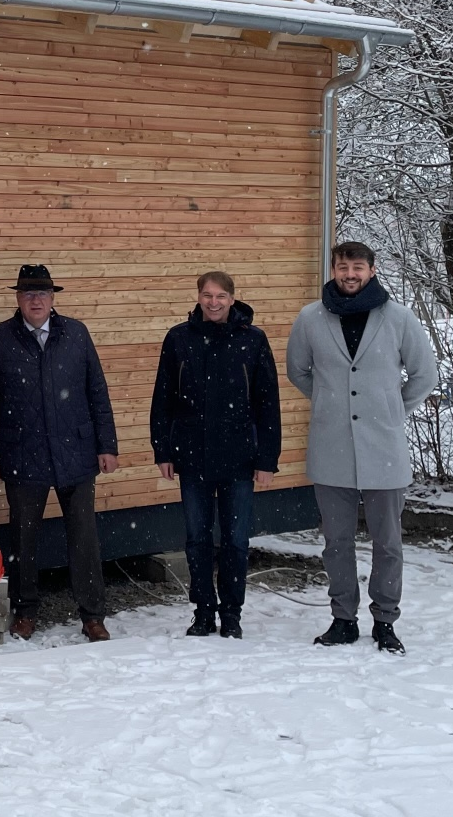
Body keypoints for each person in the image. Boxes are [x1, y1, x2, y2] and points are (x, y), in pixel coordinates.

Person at [286, 241, 438, 654]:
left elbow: (424, 374)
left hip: (383, 448)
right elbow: (297, 369)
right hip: (330, 446)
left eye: (357, 267)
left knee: (388, 543)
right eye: (342, 267)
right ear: (333, 269)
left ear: (371, 270)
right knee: (336, 541)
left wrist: (389, 409)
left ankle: (385, 621)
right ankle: (343, 619)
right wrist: (329, 402)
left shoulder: (398, 318)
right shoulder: (310, 318)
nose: (349, 274)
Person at [0, 264, 119, 642]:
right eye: (28, 294)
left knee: (84, 537)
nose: (35, 300)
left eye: (42, 293)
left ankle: (92, 615)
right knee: (23, 539)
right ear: (17, 299)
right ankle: (25, 611)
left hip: (76, 450)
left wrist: (107, 445)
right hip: (23, 452)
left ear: (53, 298)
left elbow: (97, 392)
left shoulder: (76, 334)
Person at [150, 271, 282, 639]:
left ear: (232, 298)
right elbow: (163, 399)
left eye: (221, 296)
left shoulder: (252, 340)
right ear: (198, 297)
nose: (213, 302)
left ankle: (232, 614)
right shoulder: (179, 338)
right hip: (191, 455)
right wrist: (162, 448)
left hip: (239, 457)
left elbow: (267, 403)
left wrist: (266, 459)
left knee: (237, 540)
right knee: (197, 538)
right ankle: (203, 611)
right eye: (207, 295)